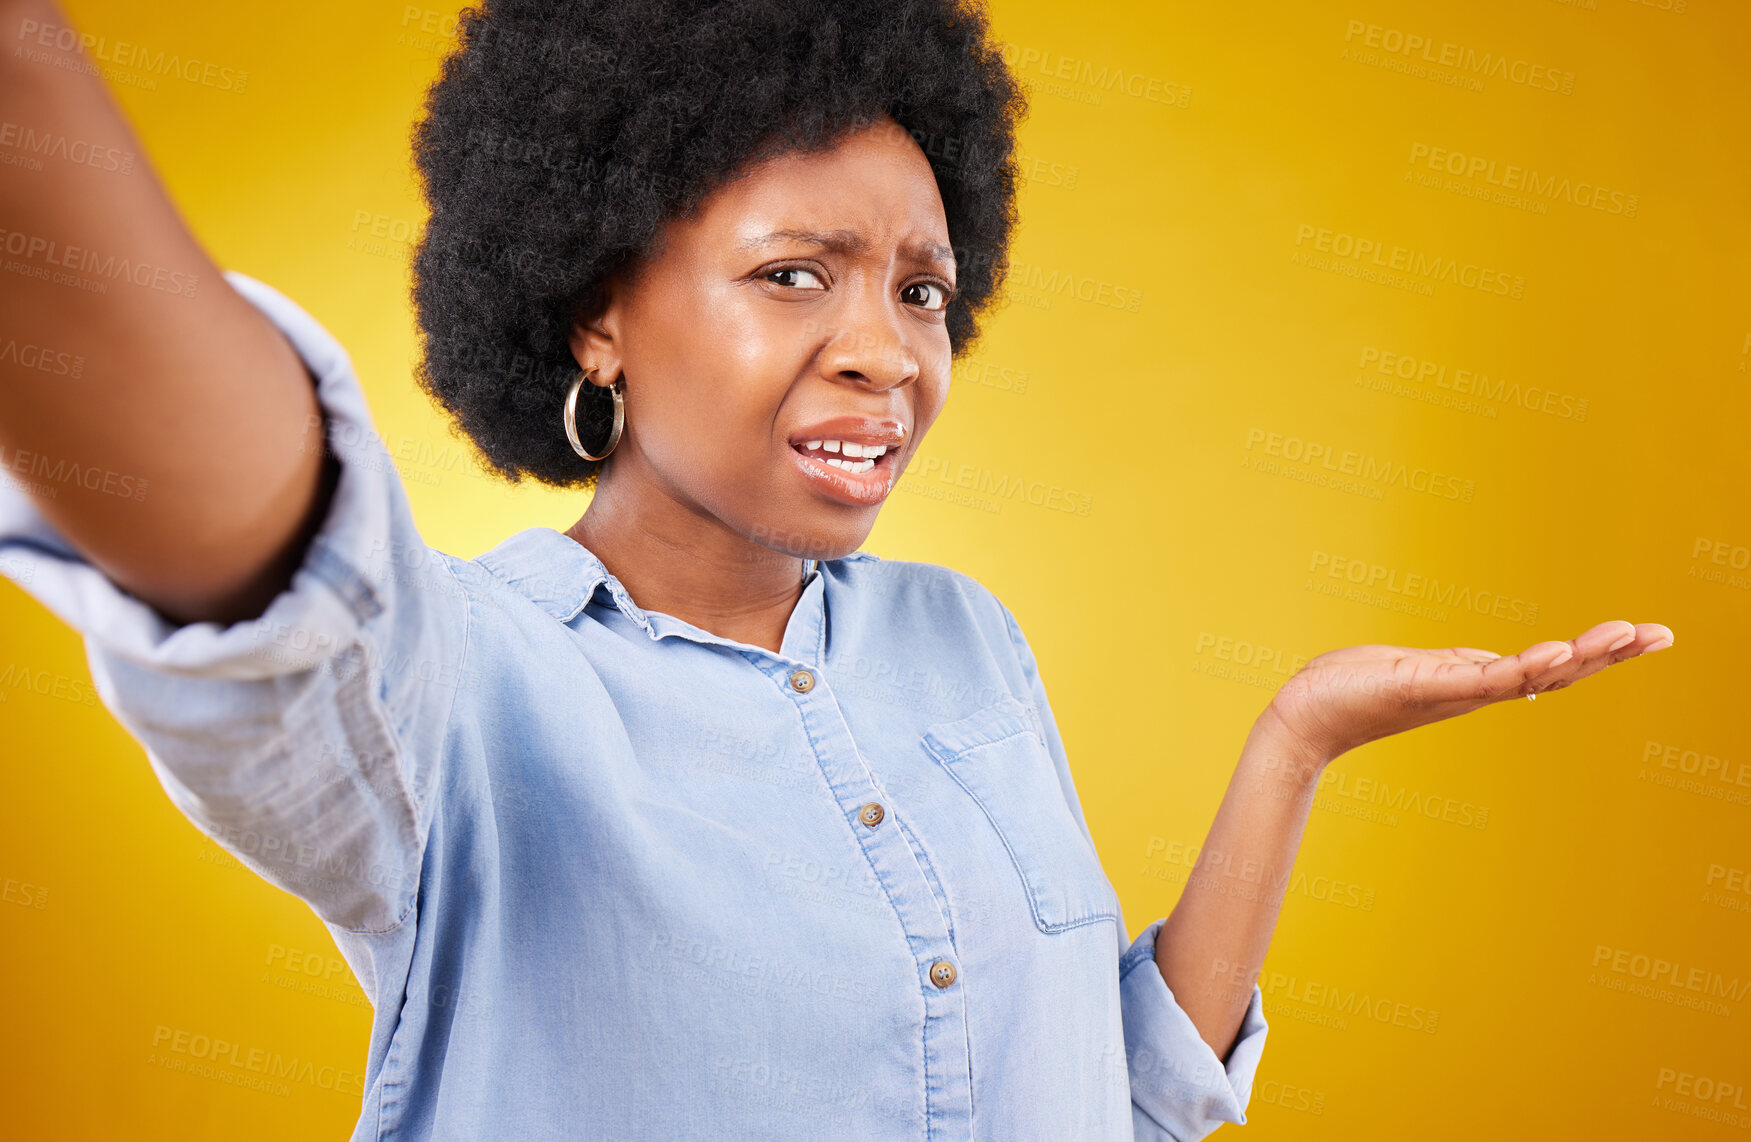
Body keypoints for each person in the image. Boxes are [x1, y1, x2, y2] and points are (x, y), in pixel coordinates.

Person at [0, 0, 1674, 1138]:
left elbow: (1112, 1096)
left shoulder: (961, 640)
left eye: (922, 290)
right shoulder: (475, 682)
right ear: (598, 310)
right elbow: (265, 558)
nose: (888, 352)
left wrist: (1292, 743)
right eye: (796, 274)